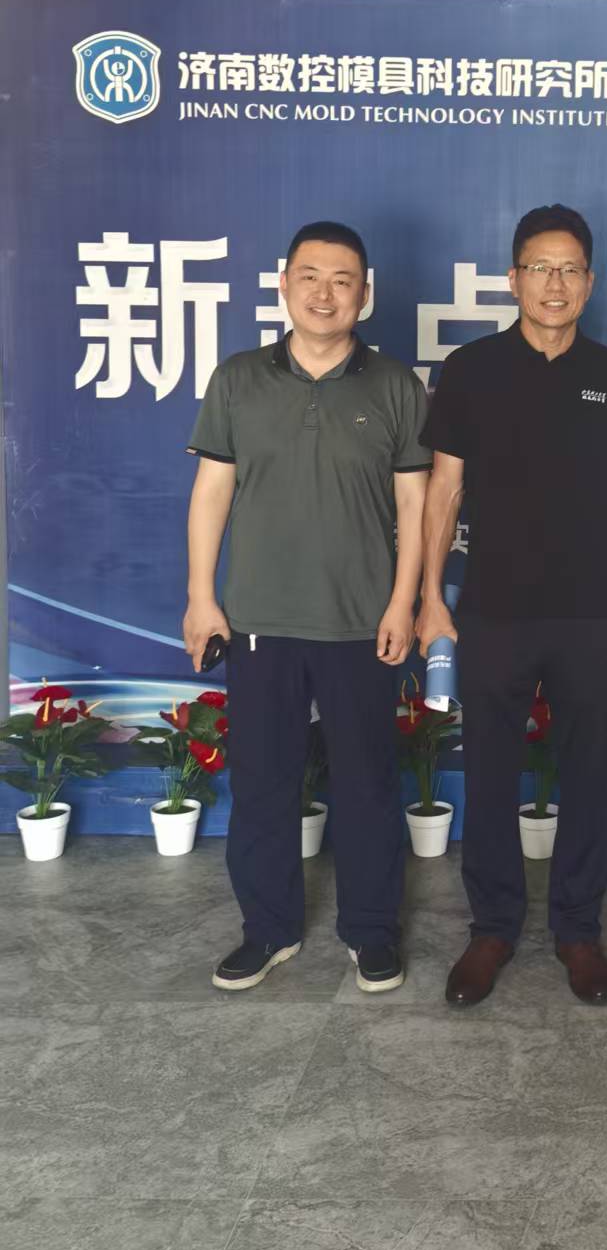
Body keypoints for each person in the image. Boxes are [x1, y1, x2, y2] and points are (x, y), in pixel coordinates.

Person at [417, 204, 607, 1007]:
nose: (554, 283)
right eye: (539, 268)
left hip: (589, 610)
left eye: (569, 269)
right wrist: (430, 598)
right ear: (513, 279)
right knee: (489, 772)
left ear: (589, 282)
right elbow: (443, 490)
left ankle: (578, 931)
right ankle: (491, 928)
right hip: (492, 609)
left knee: (586, 772)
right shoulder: (471, 368)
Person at [184, 221, 428, 994]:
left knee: (367, 784)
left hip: (362, 622)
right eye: (311, 277)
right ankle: (268, 930)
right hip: (258, 619)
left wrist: (404, 603)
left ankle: (371, 931)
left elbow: (415, 506)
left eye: (343, 280)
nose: (326, 294)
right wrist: (201, 597)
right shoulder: (238, 380)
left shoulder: (395, 385)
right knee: (262, 783)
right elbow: (212, 491)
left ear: (366, 293)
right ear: (284, 284)